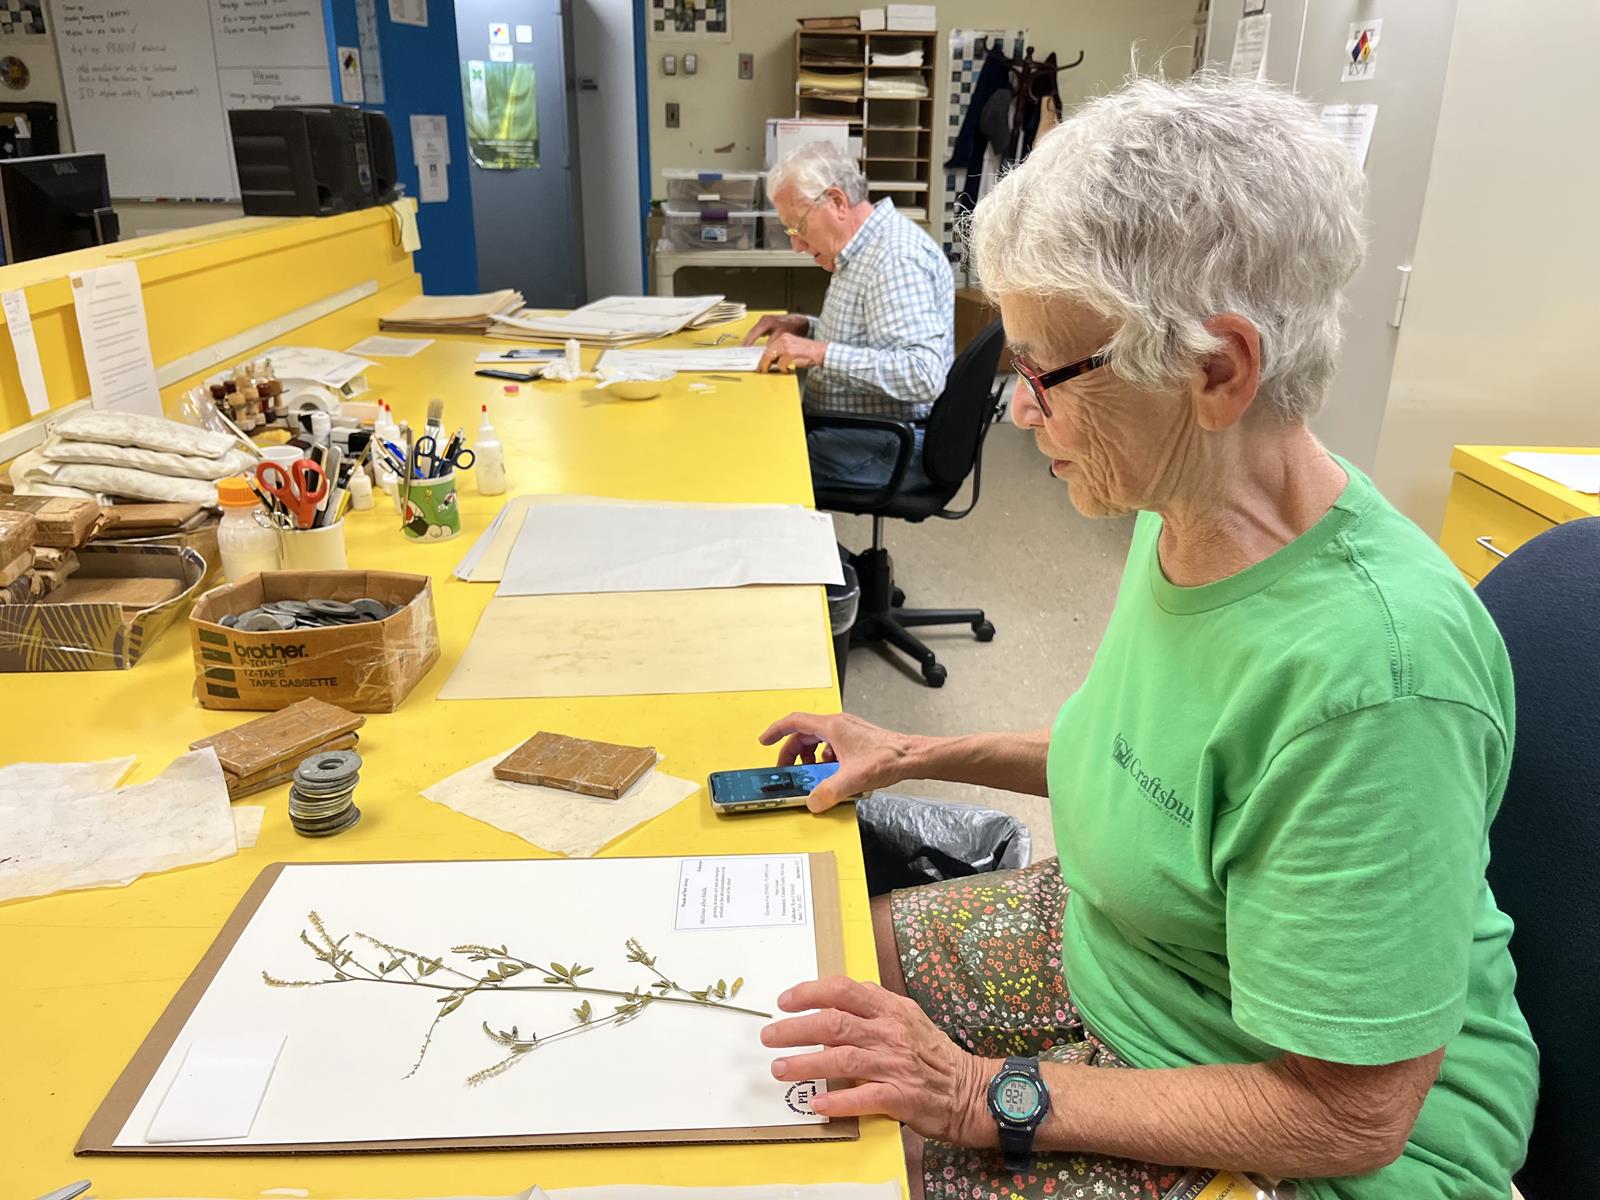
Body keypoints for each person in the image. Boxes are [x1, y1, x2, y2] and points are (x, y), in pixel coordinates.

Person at [755, 75, 1537, 1200]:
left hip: (1304, 1128)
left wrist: (982, 1096)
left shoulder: (1374, 677)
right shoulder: (1178, 503)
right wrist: (915, 752)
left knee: (850, 1168)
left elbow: (1349, 1115)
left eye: (1042, 374)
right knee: (814, 965)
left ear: (1214, 371)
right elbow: (1148, 766)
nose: (1018, 414)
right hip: (1125, 944)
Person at [743, 141, 954, 492]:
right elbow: (874, 335)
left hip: (890, 444)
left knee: (754, 463)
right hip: (860, 428)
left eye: (798, 227)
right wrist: (805, 328)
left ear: (837, 202)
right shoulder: (863, 248)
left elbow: (923, 374)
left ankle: (825, 551)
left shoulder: (894, 259)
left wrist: (818, 353)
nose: (796, 245)